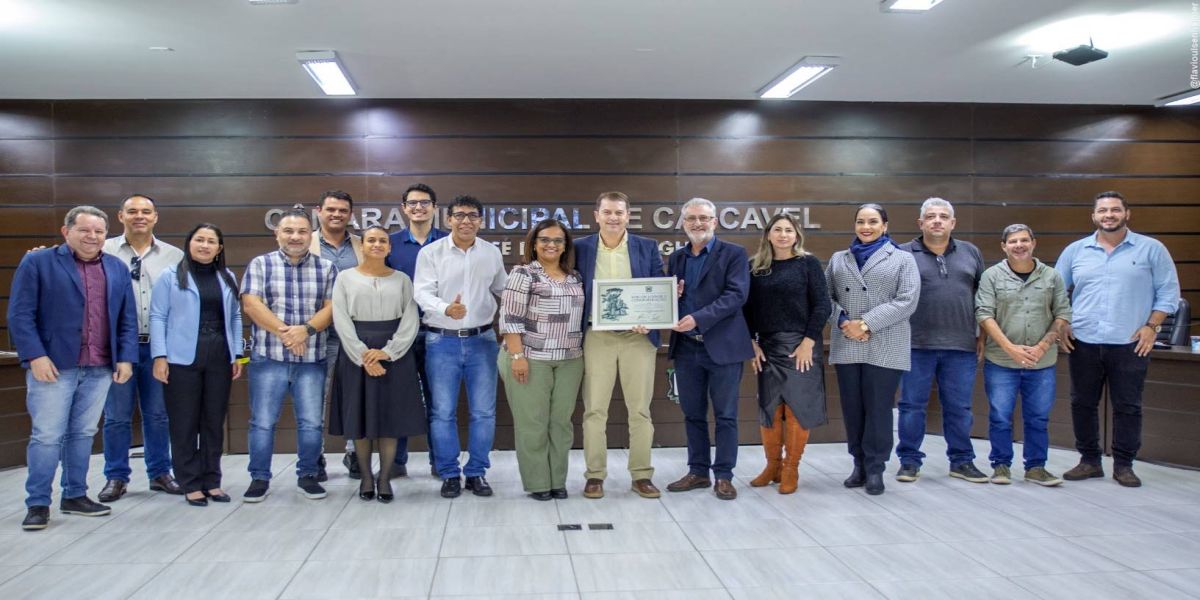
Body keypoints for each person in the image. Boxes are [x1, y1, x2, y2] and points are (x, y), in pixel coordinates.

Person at [9, 206, 137, 530]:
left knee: (82, 434)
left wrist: (125, 357)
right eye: (85, 230)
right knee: (47, 436)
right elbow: (20, 315)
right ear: (67, 232)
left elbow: (126, 319)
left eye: (98, 231)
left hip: (99, 367)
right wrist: (35, 356)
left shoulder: (117, 268)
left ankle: (75, 495)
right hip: (53, 366)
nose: (92, 236)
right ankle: (38, 503)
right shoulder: (38, 262)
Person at [1056, 191, 1180, 487]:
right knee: (1082, 403)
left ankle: (1124, 465)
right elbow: (1055, 291)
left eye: (1115, 210)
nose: (1108, 215)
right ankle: (1089, 461)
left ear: (1127, 214)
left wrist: (1152, 325)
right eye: (1103, 211)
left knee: (1128, 405)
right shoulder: (1076, 251)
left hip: (1130, 341)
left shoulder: (1152, 249)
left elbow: (1169, 293)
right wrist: (1061, 323)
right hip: (1083, 340)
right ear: (1094, 216)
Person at [413, 195, 508, 499]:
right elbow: (421, 292)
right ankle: (450, 473)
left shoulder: (491, 253)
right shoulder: (431, 253)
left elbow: (503, 289)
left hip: (483, 341)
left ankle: (477, 472)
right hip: (442, 342)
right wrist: (445, 308)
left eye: (472, 216)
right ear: (448, 219)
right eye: (459, 215)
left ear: (481, 220)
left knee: (484, 413)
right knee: (442, 413)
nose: (466, 221)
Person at [240, 206, 337, 503]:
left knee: (311, 422)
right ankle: (259, 478)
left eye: (302, 231)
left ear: (311, 235)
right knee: (263, 422)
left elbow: (332, 308)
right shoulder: (260, 264)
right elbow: (251, 304)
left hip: (311, 359)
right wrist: (288, 333)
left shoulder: (326, 268)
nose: (295, 237)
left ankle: (307, 475)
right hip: (269, 358)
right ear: (277, 233)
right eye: (289, 231)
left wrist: (304, 331)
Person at [575, 191, 664, 500]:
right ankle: (595, 475)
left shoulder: (647, 247)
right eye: (608, 212)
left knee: (640, 410)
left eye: (619, 213)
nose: (613, 218)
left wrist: (650, 318)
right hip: (596, 336)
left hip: (637, 338)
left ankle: (641, 475)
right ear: (596, 215)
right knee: (594, 410)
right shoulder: (580, 248)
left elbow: (657, 287)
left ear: (628, 216)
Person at [826, 203, 920, 496]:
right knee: (853, 409)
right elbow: (824, 296)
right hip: (847, 343)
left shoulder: (903, 259)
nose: (866, 227)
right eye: (860, 222)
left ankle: (876, 467)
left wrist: (864, 324)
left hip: (885, 343)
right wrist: (843, 321)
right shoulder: (839, 259)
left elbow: (907, 300)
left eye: (873, 221)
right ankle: (859, 464)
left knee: (878, 409)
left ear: (885, 225)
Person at [665, 198, 755, 501]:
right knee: (692, 414)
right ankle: (698, 472)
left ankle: (725, 476)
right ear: (682, 223)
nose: (697, 223)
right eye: (691, 218)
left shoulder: (734, 254)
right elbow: (670, 300)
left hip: (723, 348)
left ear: (715, 222)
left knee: (726, 415)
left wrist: (698, 318)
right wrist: (671, 299)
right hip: (687, 350)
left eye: (703, 218)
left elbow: (736, 295)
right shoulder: (677, 258)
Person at [150, 223, 244, 506]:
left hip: (219, 355)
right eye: (199, 240)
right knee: (184, 422)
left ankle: (212, 481)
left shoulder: (227, 276)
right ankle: (190, 482)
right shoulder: (170, 276)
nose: (205, 245)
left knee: (213, 421)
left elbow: (236, 317)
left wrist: (237, 354)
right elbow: (157, 317)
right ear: (189, 244)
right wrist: (159, 356)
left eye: (211, 241)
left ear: (220, 248)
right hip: (180, 358)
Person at [895, 197, 988, 484]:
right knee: (911, 406)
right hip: (913, 345)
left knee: (960, 408)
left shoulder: (970, 252)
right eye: (931, 216)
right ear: (920, 223)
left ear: (953, 223)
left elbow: (984, 299)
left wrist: (981, 336)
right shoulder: (901, 254)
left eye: (943, 216)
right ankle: (909, 461)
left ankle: (961, 461)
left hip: (961, 347)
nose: (937, 220)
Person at [99, 194, 185, 502]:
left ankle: (160, 473)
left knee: (158, 414)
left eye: (146, 212)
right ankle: (116, 477)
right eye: (132, 211)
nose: (140, 216)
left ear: (155, 217)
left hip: (158, 347)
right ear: (120, 216)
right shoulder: (103, 249)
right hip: (118, 348)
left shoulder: (174, 256)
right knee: (117, 416)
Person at [329, 226, 424, 503]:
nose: (377, 244)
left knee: (389, 420)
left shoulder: (403, 280)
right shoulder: (345, 278)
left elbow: (410, 319)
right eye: (371, 240)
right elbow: (341, 318)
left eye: (383, 240)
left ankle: (384, 478)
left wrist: (388, 352)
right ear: (363, 245)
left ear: (389, 247)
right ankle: (366, 478)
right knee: (360, 417)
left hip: (394, 355)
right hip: (355, 353)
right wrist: (362, 355)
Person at [976, 225, 1071, 487]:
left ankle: (1036, 468)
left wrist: (1042, 346)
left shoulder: (1052, 276)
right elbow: (984, 314)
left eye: (1024, 240)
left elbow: (1062, 313)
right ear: (1003, 246)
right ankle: (1001, 466)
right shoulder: (991, 276)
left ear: (1034, 243)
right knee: (1000, 416)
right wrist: (1010, 348)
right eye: (1013, 241)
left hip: (1042, 361)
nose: (1019, 245)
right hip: (1002, 361)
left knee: (1038, 417)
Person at [499, 219, 585, 501]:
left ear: (565, 246)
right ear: (534, 244)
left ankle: (557, 480)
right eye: (545, 239)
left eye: (558, 240)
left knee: (561, 424)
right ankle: (538, 483)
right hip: (529, 358)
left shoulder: (576, 277)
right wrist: (517, 356)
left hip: (570, 359)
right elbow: (510, 319)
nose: (551, 245)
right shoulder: (523, 274)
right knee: (532, 423)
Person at [744, 214, 830, 494]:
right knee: (770, 409)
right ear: (768, 235)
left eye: (788, 230)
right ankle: (772, 466)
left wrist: (808, 342)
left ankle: (791, 468)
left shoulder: (808, 264)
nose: (783, 235)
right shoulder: (755, 267)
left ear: (797, 235)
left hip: (800, 348)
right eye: (777, 230)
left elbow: (822, 306)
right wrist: (751, 343)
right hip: (766, 348)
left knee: (796, 409)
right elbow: (745, 311)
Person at [386, 183, 447, 479]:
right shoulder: (390, 244)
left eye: (425, 203)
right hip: (401, 333)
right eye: (413, 203)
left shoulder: (450, 242)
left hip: (439, 332)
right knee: (399, 398)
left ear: (435, 207)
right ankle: (396, 462)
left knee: (438, 401)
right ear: (404, 208)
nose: (419, 207)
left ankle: (440, 462)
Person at [310, 190, 363, 483]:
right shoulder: (305, 242)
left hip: (354, 334)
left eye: (343, 210)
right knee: (316, 399)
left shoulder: (361, 245)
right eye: (331, 209)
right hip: (319, 335)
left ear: (350, 214)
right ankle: (314, 457)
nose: (337, 214)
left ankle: (355, 453)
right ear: (319, 210)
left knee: (355, 396)